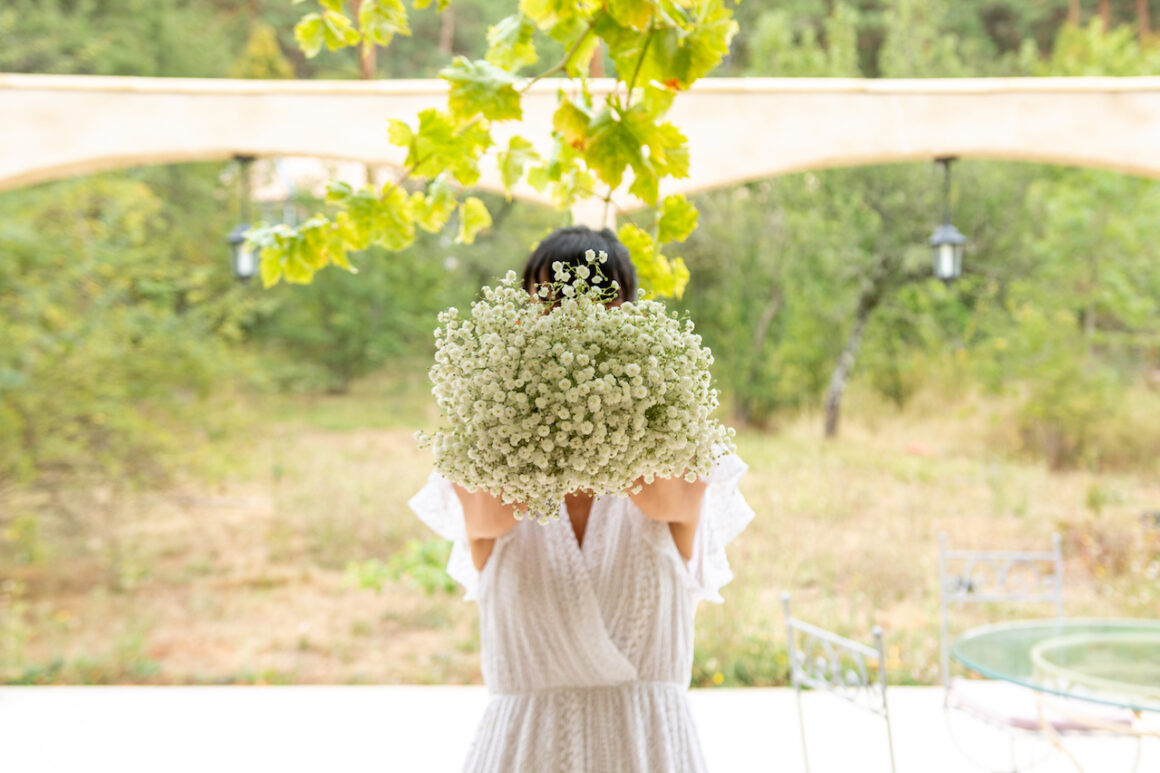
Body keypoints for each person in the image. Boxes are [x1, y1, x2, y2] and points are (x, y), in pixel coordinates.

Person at [409, 225, 754, 772]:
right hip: (525, 750)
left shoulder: (677, 434)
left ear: (628, 315)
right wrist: (530, 406)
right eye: (554, 298)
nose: (572, 315)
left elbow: (675, 506)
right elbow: (487, 517)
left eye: (595, 300)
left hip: (648, 749)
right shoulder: (483, 437)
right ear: (522, 312)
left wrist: (604, 404)